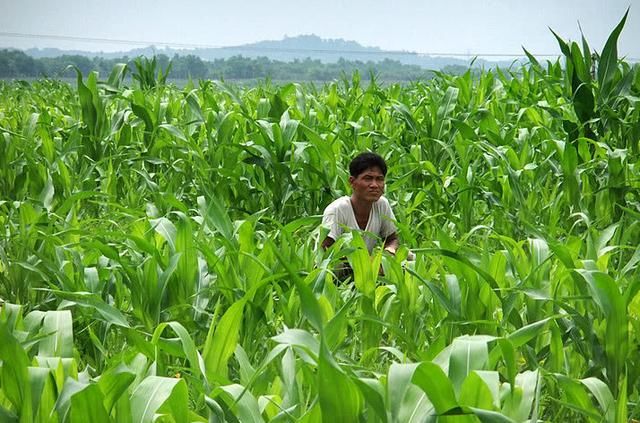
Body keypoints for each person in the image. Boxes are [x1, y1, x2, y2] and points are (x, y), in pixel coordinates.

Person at [321, 152, 399, 256]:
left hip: (368, 267)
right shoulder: (337, 210)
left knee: (408, 257)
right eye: (368, 178)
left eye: (379, 179)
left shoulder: (381, 204)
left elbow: (392, 239)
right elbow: (325, 252)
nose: (374, 185)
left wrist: (388, 253)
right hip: (340, 268)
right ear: (352, 182)